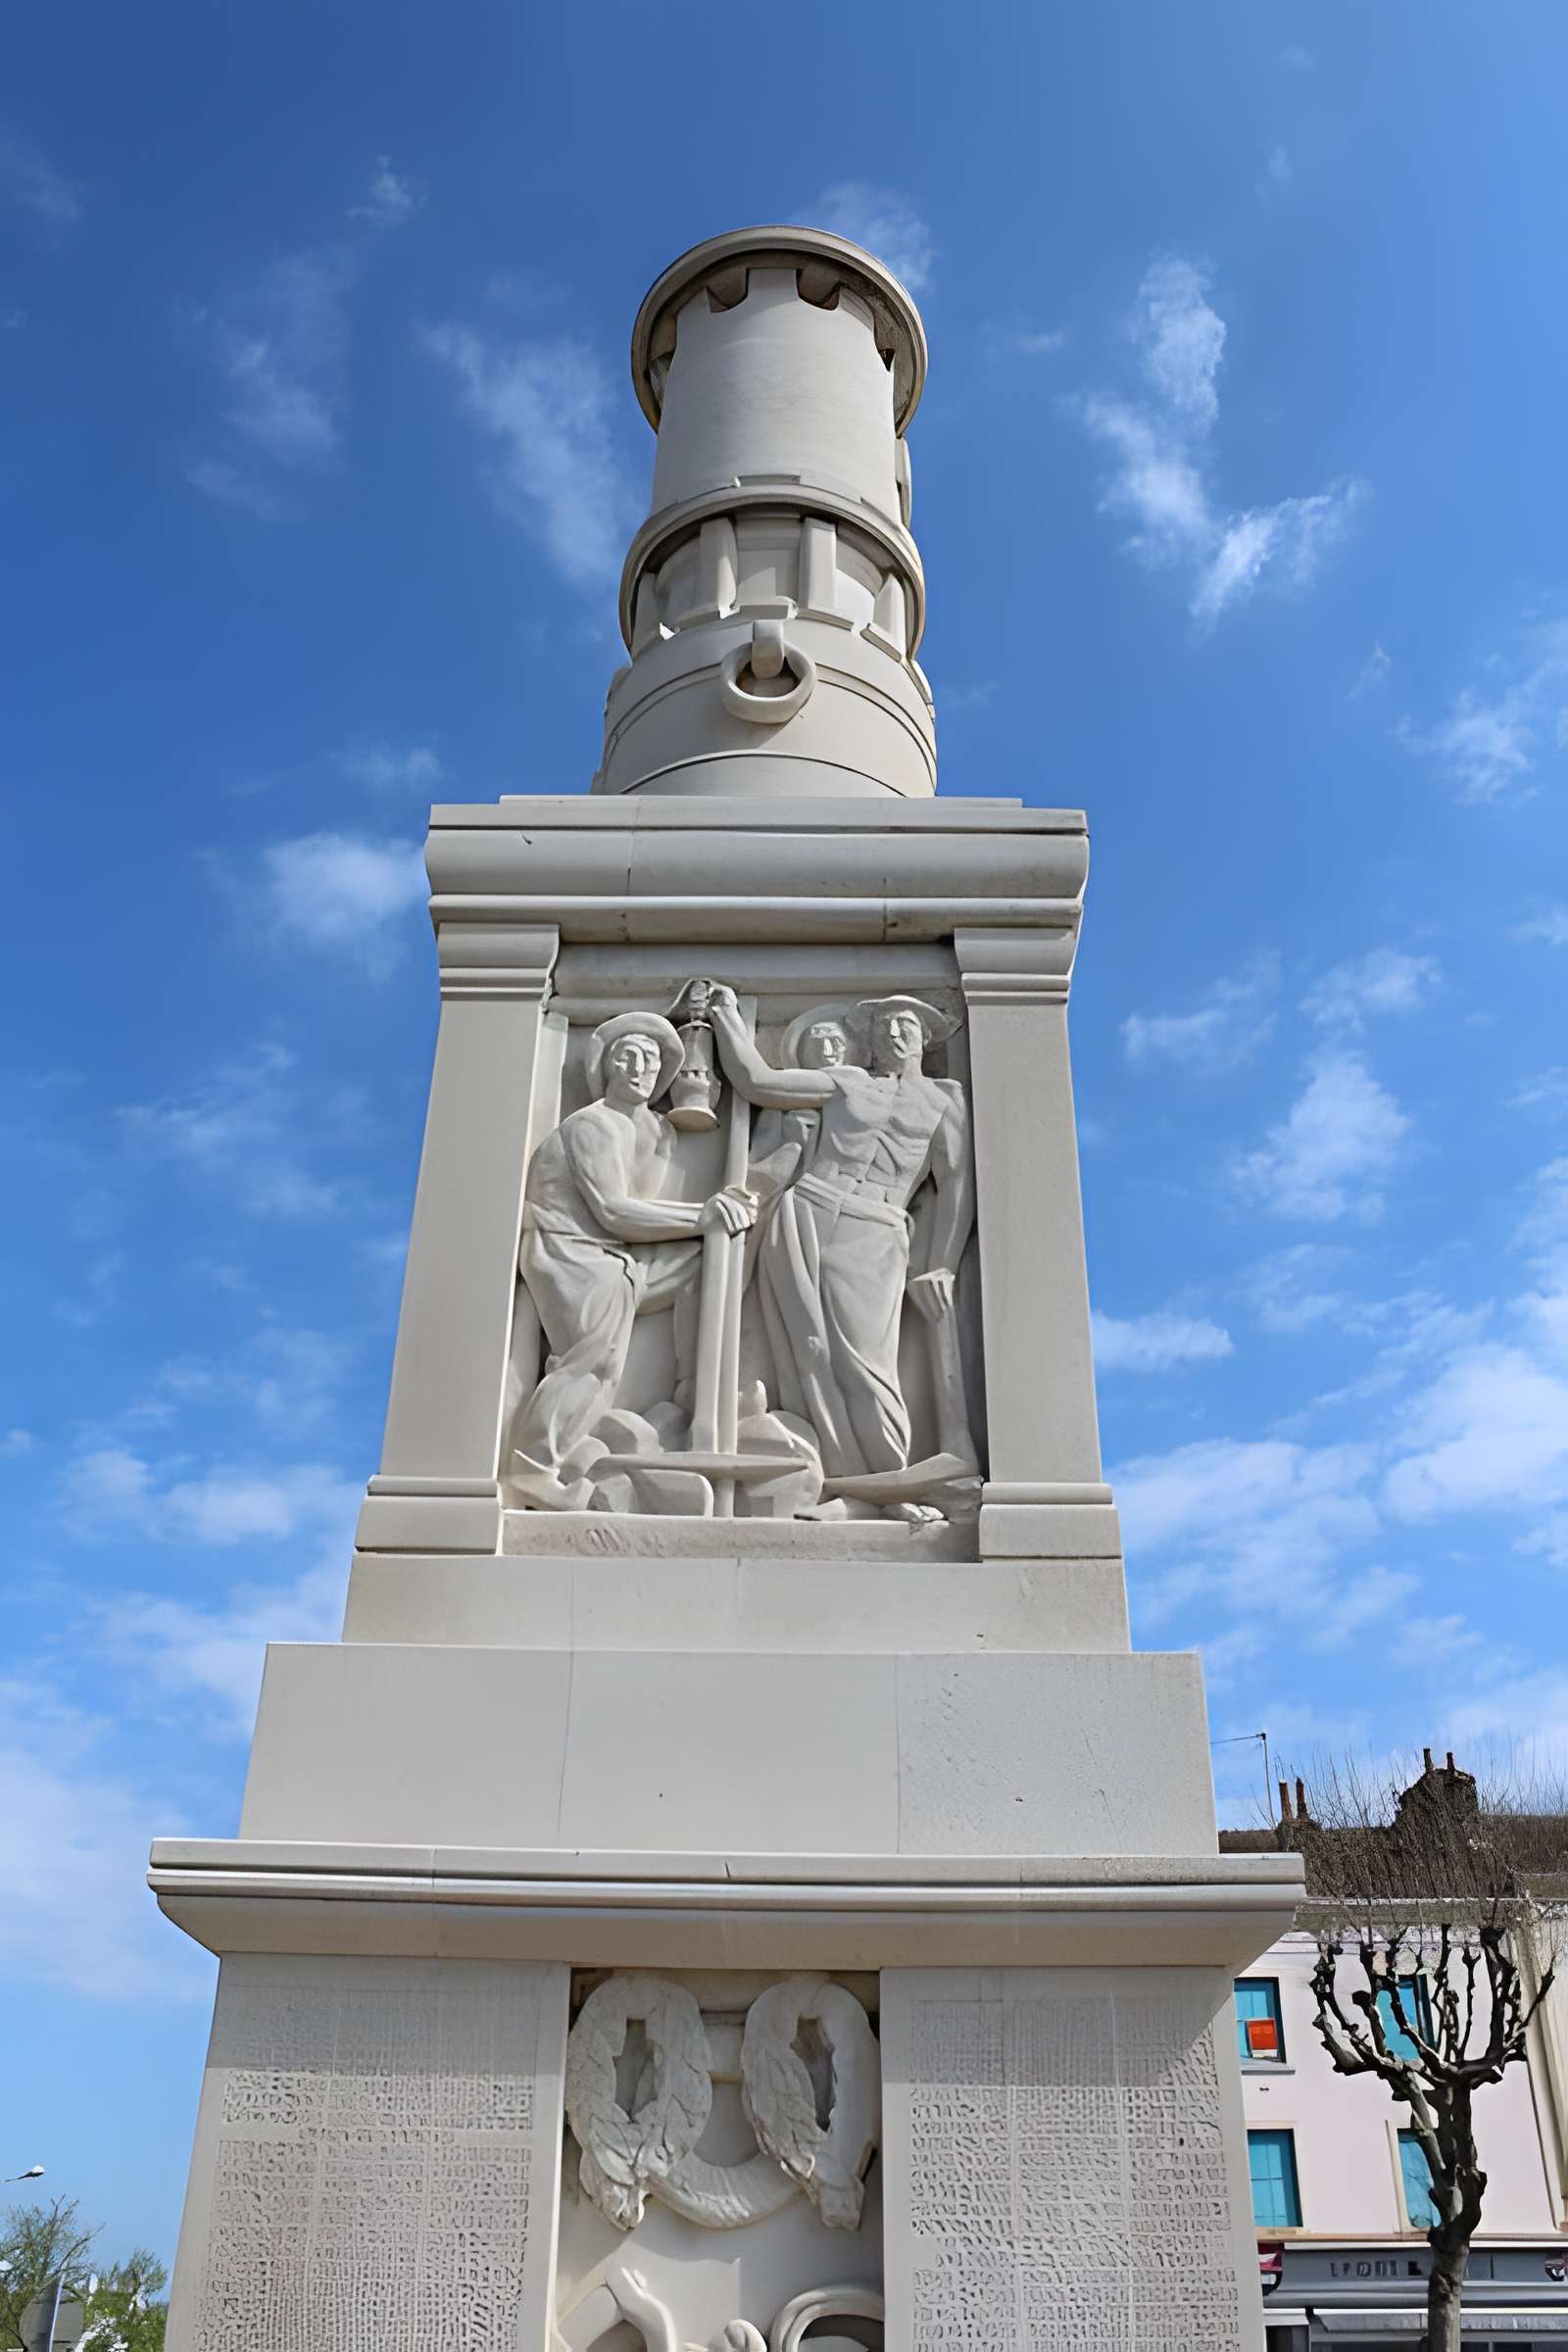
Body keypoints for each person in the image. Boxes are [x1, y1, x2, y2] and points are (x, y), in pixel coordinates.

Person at [706, 986, 973, 1484]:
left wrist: (943, 1262)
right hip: (806, 1209)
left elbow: (957, 1183)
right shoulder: (847, 1081)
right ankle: (841, 1484)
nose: (894, 1034)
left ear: (924, 1038)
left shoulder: (945, 1099)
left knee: (866, 1365)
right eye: (884, 1026)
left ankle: (889, 1479)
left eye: (905, 1025)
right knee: (809, 1352)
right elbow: (758, 1081)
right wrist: (725, 1016)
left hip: (876, 1228)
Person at [511, 1011, 755, 1509]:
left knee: (708, 1259)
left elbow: (638, 1215)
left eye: (651, 1060)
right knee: (596, 1358)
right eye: (628, 1057)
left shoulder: (651, 1131)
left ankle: (693, 1394)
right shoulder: (593, 1125)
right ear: (606, 1066)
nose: (640, 1069)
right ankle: (532, 1466)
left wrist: (709, 1220)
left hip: (615, 1255)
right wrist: (703, 1214)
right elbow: (614, 1211)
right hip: (570, 1252)